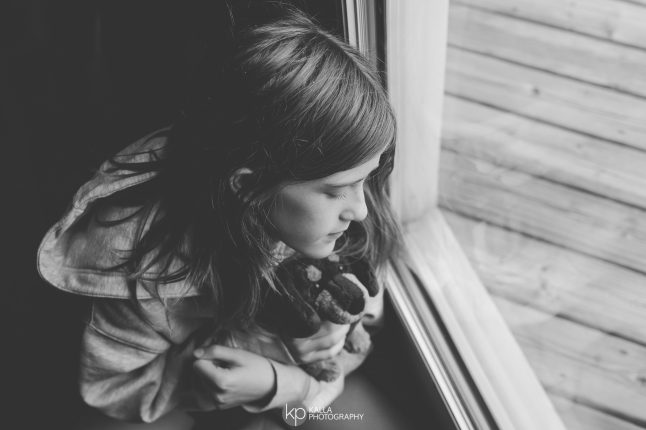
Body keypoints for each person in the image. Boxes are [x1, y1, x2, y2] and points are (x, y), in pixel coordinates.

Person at [36, 2, 402, 428]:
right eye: (336, 192)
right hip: (187, 396)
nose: (360, 209)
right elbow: (113, 389)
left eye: (367, 179)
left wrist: (308, 369)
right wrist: (260, 357)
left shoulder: (343, 213)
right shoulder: (146, 269)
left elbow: (366, 323)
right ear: (248, 186)